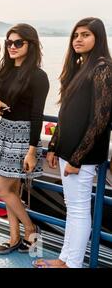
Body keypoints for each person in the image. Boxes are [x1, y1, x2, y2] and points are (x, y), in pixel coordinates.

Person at [34, 17, 112, 268]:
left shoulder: (102, 67)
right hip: (69, 150)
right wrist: (54, 145)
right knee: (73, 207)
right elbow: (66, 112)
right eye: (76, 35)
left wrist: (78, 158)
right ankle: (64, 259)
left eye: (85, 35)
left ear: (98, 38)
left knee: (78, 210)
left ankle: (72, 263)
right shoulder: (80, 67)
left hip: (83, 154)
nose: (78, 39)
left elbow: (101, 118)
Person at [0, 24, 49, 254]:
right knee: (11, 189)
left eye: (18, 43)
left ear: (30, 45)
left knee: (0, 188)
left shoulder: (39, 76)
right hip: (5, 131)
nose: (12, 46)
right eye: (9, 42)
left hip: (23, 137)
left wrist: (32, 150)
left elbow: (36, 115)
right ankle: (14, 238)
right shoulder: (6, 70)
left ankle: (31, 229)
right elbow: (3, 98)